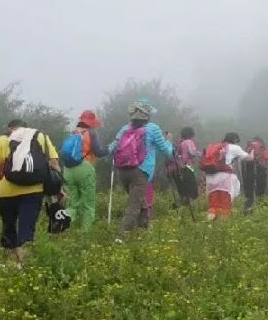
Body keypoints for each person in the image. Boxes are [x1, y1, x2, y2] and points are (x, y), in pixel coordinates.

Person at [0, 119, 61, 266]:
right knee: (26, 229)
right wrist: (59, 188)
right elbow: (54, 164)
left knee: (8, 228)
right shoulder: (41, 136)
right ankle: (23, 266)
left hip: (6, 193)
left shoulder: (3, 139)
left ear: (9, 128)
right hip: (33, 191)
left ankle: (8, 265)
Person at [108, 101, 173, 236]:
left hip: (122, 171)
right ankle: (122, 237)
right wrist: (169, 141)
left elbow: (112, 148)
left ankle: (143, 231)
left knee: (141, 200)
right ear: (147, 115)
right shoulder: (153, 128)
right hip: (141, 171)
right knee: (134, 205)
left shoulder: (125, 128)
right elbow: (167, 152)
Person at [60, 110, 108, 231]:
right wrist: (111, 147)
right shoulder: (91, 133)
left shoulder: (73, 133)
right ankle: (85, 234)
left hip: (68, 169)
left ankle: (64, 229)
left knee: (72, 203)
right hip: (85, 168)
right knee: (88, 204)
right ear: (92, 122)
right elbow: (99, 152)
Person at [202, 132, 253, 221]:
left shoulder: (217, 146)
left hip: (211, 178)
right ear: (235, 140)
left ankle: (209, 225)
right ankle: (222, 228)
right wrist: (252, 152)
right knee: (225, 206)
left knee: (213, 206)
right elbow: (249, 158)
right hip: (224, 179)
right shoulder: (235, 147)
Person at [170, 126, 201, 207]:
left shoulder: (180, 142)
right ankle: (191, 208)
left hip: (178, 169)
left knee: (183, 191)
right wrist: (201, 154)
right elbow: (192, 152)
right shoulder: (188, 141)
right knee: (193, 190)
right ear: (191, 134)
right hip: (187, 167)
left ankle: (180, 207)